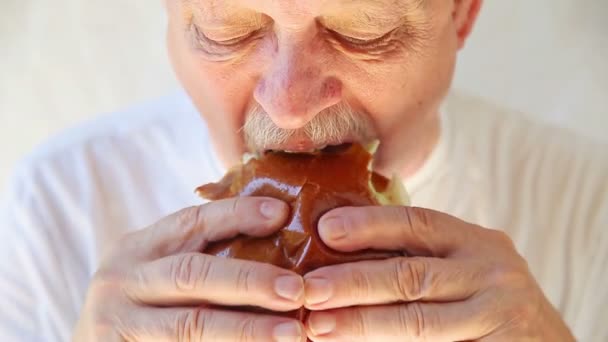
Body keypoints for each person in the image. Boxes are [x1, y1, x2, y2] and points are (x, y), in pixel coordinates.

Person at [1, 0, 606, 341]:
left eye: (363, 33)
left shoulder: (586, 208)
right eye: (227, 31)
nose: (289, 104)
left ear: (462, 15)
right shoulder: (54, 209)